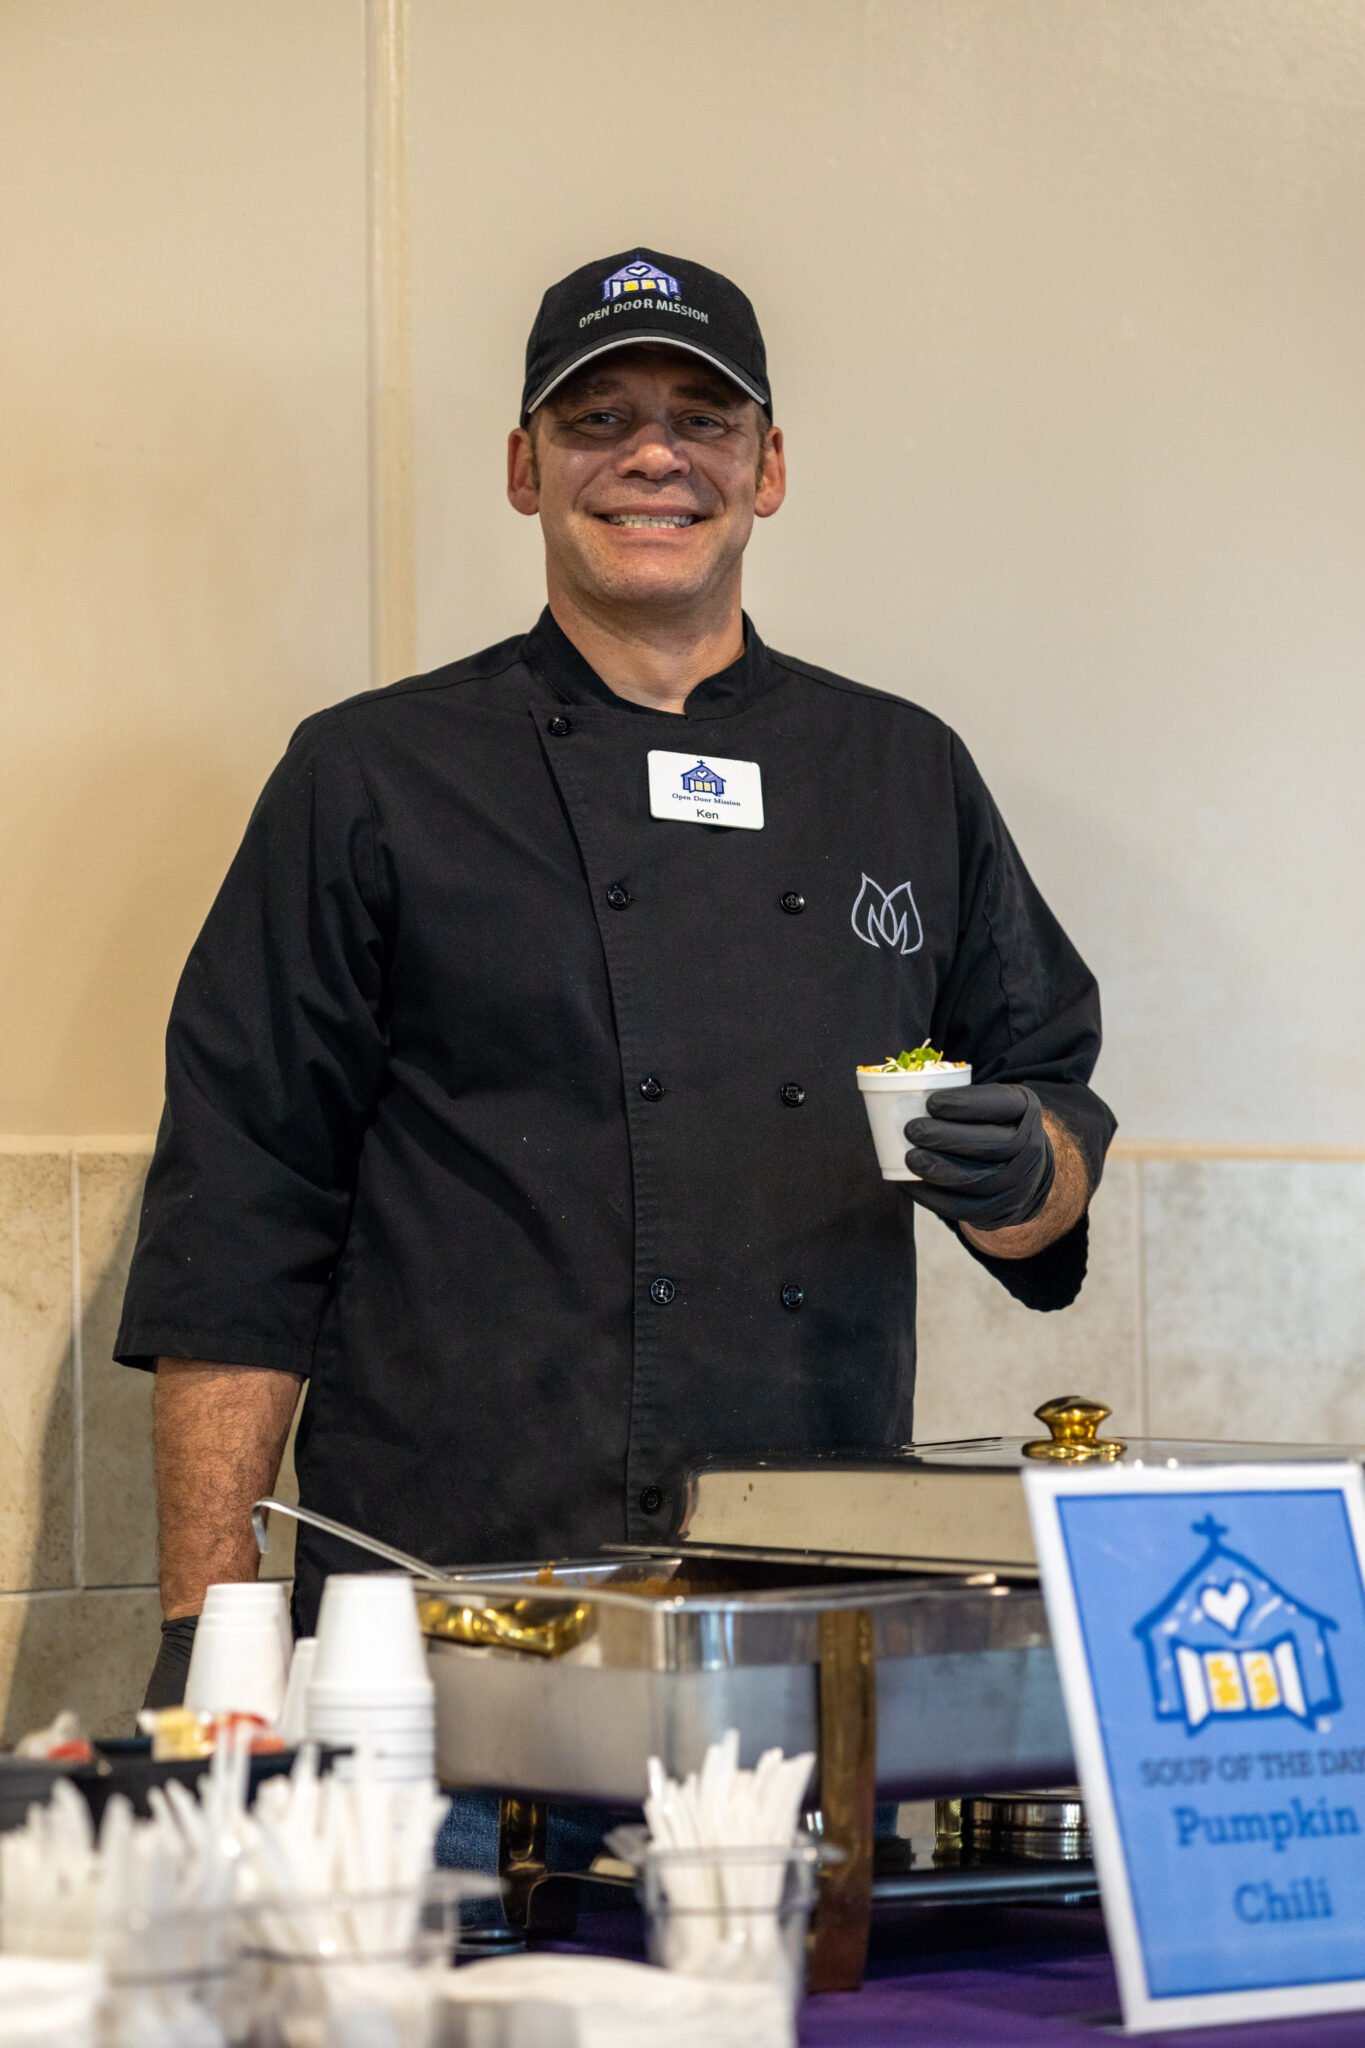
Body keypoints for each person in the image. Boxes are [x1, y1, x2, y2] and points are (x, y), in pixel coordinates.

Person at [116, 248, 1115, 1705]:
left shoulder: (901, 773)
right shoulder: (372, 776)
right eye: (599, 420)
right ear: (525, 469)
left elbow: (1049, 1105)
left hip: (799, 1620)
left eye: (704, 419)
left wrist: (1029, 1174)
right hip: (439, 1624)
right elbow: (241, 1209)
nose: (655, 456)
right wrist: (206, 1632)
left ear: (769, 468)